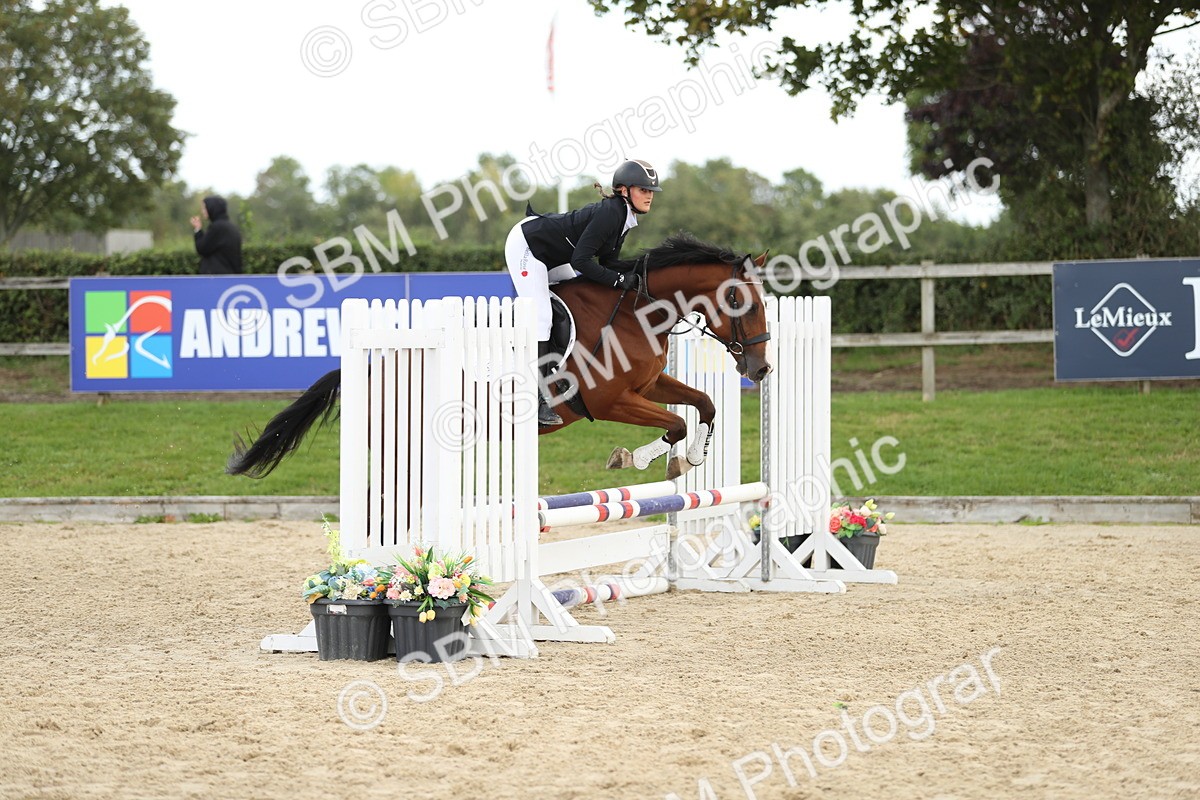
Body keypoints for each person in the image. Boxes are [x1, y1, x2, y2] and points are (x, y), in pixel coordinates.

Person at [505, 159, 662, 427]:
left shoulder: (624, 217)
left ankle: (560, 369)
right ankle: (538, 396)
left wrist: (642, 274)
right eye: (643, 189)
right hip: (529, 248)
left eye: (651, 191)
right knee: (542, 316)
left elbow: (609, 263)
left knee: (575, 304)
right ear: (624, 190)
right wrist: (620, 279)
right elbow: (581, 262)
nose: (649, 196)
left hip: (553, 255)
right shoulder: (611, 213)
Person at [191, 195, 243, 274]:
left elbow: (202, 248)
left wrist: (198, 230)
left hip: (216, 278)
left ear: (212, 208)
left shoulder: (217, 228)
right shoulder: (231, 227)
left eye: (205, 208)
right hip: (230, 275)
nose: (203, 211)